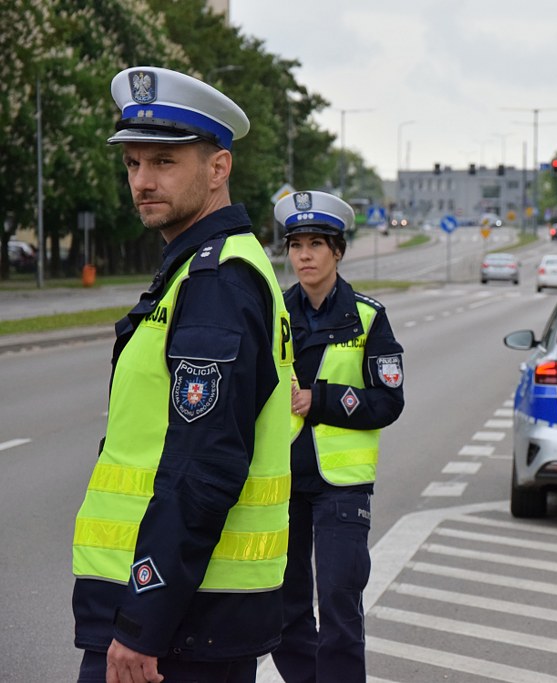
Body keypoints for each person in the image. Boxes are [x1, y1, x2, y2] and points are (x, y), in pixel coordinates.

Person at [71, 66, 294, 682]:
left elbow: (205, 463)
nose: (143, 181)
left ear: (217, 169)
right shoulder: (201, 271)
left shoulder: (217, 281)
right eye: (133, 163)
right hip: (191, 621)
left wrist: (144, 619)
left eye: (164, 162)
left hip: (178, 631)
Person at [270, 191, 405, 682]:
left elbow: (388, 401)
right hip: (281, 483)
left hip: (342, 488)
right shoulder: (274, 314)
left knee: (339, 605)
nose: (304, 255)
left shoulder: (367, 318)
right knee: (285, 610)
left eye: (315, 245)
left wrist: (319, 400)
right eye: (296, 245)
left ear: (338, 252)